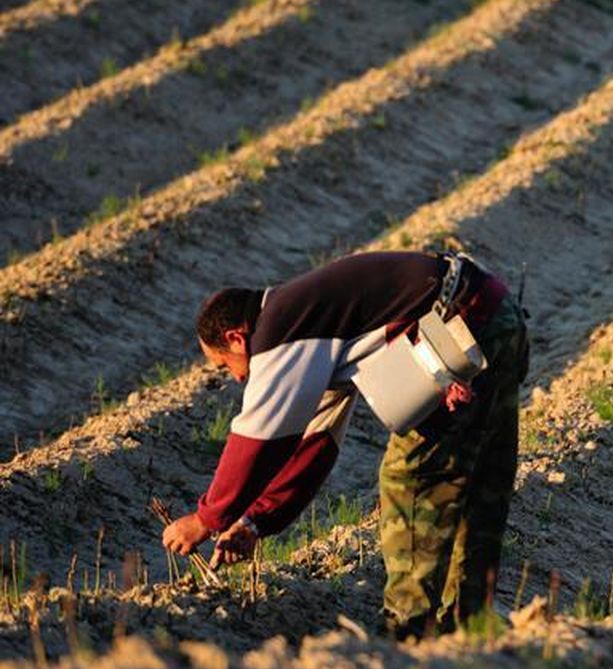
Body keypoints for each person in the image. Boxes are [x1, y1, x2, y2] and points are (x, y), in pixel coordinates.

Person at [160, 250, 529, 640]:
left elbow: (260, 436)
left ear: (237, 337)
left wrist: (207, 518)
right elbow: (316, 439)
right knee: (478, 476)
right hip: (494, 317)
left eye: (225, 365)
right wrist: (254, 521)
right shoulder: (314, 320)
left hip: (463, 332)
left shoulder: (280, 329)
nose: (235, 378)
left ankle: (406, 630)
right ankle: (471, 623)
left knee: (411, 479)